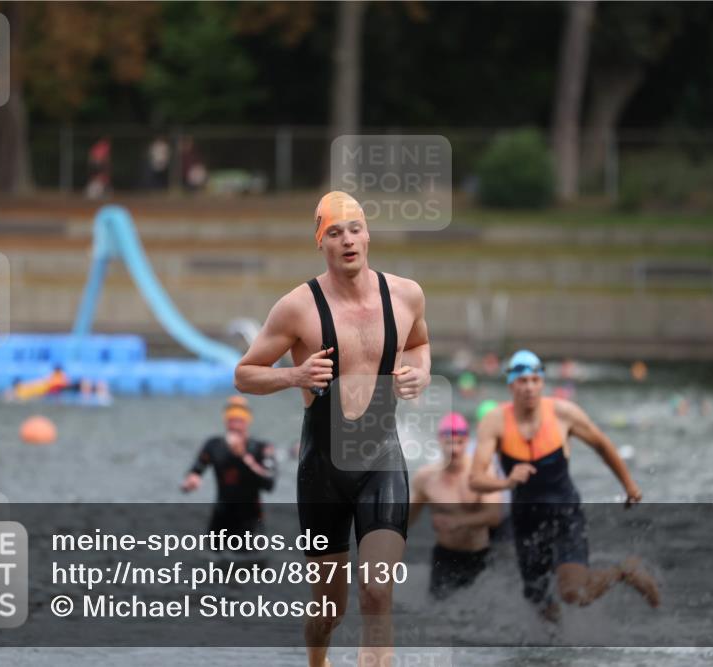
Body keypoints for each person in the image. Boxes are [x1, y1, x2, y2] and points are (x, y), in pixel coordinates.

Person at [234, 191, 431, 667]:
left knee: (377, 591)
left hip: (382, 461)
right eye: (335, 233)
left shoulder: (406, 295)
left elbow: (421, 343)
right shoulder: (296, 308)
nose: (348, 241)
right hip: (322, 470)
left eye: (355, 229)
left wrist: (420, 372)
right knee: (329, 611)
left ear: (368, 235)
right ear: (320, 243)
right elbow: (244, 374)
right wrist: (293, 376)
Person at [469, 349, 660, 622]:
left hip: (564, 514)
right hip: (526, 520)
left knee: (573, 593)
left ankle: (624, 571)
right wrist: (506, 481)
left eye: (535, 380)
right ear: (511, 384)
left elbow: (602, 445)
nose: (530, 388)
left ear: (543, 383)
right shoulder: (495, 422)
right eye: (523, 381)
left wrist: (629, 485)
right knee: (538, 602)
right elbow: (475, 479)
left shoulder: (562, 413)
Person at [410, 412, 502, 600]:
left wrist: (458, 522)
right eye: (449, 442)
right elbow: (406, 519)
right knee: (438, 615)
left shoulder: (481, 472)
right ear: (440, 441)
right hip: (444, 556)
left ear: (467, 441)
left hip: (479, 555)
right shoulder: (426, 478)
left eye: (459, 442)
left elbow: (494, 516)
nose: (455, 449)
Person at [181, 396, 277, 537]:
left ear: (247, 422)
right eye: (231, 421)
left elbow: (269, 484)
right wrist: (192, 479)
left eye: (240, 421)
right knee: (212, 557)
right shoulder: (214, 445)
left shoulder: (261, 448)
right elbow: (197, 468)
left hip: (250, 518)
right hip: (222, 515)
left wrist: (243, 457)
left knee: (251, 559)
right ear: (226, 422)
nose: (235, 426)